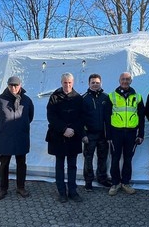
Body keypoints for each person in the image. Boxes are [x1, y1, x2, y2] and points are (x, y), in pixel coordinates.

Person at [0, 76, 34, 201]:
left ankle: (20, 187)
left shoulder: (27, 100)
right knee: (4, 163)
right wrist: (3, 127)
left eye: (16, 85)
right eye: (11, 85)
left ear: (20, 85)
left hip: (21, 136)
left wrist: (20, 126)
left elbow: (30, 116)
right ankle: (3, 188)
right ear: (8, 86)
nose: (13, 88)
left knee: (21, 163)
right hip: (4, 137)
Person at [46, 72, 84, 203]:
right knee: (60, 165)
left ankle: (73, 191)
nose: (67, 85)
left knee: (72, 165)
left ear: (73, 83)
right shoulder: (54, 97)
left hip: (73, 136)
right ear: (61, 82)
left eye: (69, 82)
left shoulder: (78, 98)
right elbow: (51, 116)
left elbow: (81, 117)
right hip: (59, 136)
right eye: (65, 82)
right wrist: (63, 129)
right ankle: (62, 192)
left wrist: (72, 129)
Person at [105, 72, 145, 196]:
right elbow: (106, 118)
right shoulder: (111, 96)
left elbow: (142, 117)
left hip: (132, 133)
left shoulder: (138, 97)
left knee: (128, 159)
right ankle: (115, 183)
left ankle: (126, 183)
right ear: (119, 80)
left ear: (131, 81)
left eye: (127, 79)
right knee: (115, 158)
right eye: (123, 79)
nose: (125, 81)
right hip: (116, 132)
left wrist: (141, 134)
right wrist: (109, 136)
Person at [82, 73, 111, 191]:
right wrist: (83, 134)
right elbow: (80, 118)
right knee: (88, 158)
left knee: (103, 158)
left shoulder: (106, 97)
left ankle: (102, 178)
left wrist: (109, 134)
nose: (95, 85)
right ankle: (88, 181)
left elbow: (110, 117)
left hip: (103, 135)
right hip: (90, 135)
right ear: (89, 84)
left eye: (97, 83)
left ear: (101, 83)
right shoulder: (84, 98)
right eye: (93, 82)